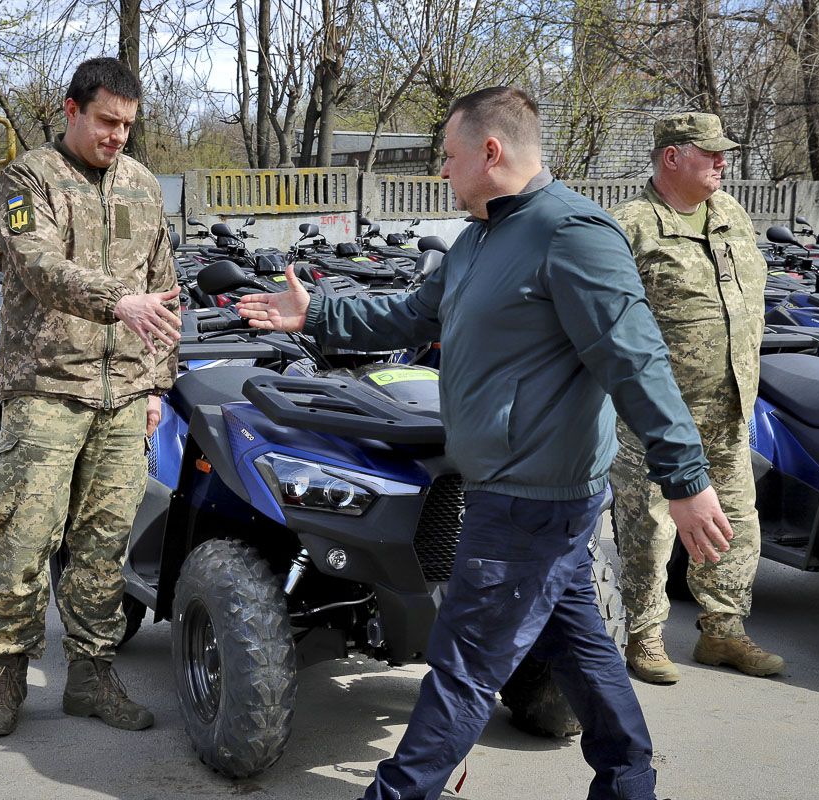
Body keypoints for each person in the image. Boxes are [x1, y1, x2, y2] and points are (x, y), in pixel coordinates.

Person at [236, 87, 733, 800]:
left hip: (530, 498)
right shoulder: (477, 240)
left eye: (448, 154)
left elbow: (636, 360)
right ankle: (630, 782)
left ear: (490, 152)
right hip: (509, 489)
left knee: (464, 666)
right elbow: (411, 313)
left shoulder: (572, 233)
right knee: (580, 647)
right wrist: (318, 313)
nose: (442, 169)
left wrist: (683, 478)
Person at [0, 57, 181, 737]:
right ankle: (7, 677)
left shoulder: (143, 186)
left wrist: (158, 384)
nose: (117, 135)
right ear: (72, 110)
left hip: (124, 396)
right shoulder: (28, 177)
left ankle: (91, 679)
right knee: (25, 538)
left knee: (104, 546)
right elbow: (36, 265)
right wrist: (118, 300)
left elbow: (165, 289)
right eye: (106, 121)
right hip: (46, 390)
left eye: (127, 125)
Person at [610, 113, 783, 683]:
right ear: (672, 156)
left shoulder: (731, 213)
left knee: (734, 525)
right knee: (649, 528)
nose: (722, 162)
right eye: (710, 153)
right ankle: (644, 635)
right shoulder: (631, 225)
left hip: (730, 410)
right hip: (655, 420)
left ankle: (722, 632)